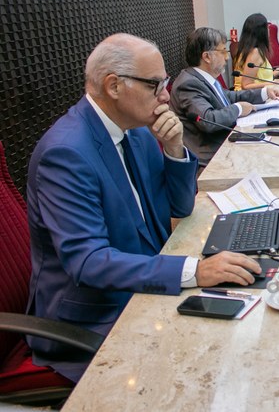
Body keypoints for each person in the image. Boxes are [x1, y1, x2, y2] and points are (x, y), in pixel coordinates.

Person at [26, 34, 263, 382]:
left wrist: (174, 149)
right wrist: (193, 271)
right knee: (213, 364)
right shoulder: (65, 154)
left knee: (248, 322)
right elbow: (88, 262)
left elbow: (179, 207)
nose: (166, 95)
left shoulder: (136, 130)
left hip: (144, 278)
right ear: (114, 86)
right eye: (155, 85)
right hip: (94, 314)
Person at [171, 27, 279, 167]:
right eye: (223, 51)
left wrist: (264, 92)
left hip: (226, 144)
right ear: (206, 57)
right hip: (211, 160)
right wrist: (239, 109)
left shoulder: (203, 77)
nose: (227, 57)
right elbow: (208, 120)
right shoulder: (188, 84)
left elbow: (229, 96)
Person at [232, 13, 279, 90]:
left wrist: (277, 72)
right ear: (262, 32)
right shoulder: (255, 53)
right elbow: (246, 85)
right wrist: (274, 83)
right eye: (267, 28)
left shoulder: (248, 48)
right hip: (248, 97)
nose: (268, 30)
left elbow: (259, 78)